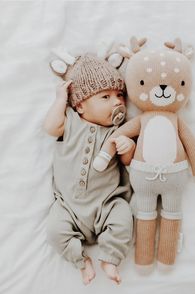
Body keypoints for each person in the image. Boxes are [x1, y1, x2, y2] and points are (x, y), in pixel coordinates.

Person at [43, 54, 135, 285]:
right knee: (55, 231)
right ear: (80, 106)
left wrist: (128, 147)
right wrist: (60, 100)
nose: (117, 102)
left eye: (120, 95)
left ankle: (110, 258)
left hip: (107, 203)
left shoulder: (120, 130)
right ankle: (81, 260)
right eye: (106, 97)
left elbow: (127, 162)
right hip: (69, 207)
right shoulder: (71, 121)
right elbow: (50, 127)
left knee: (124, 219)